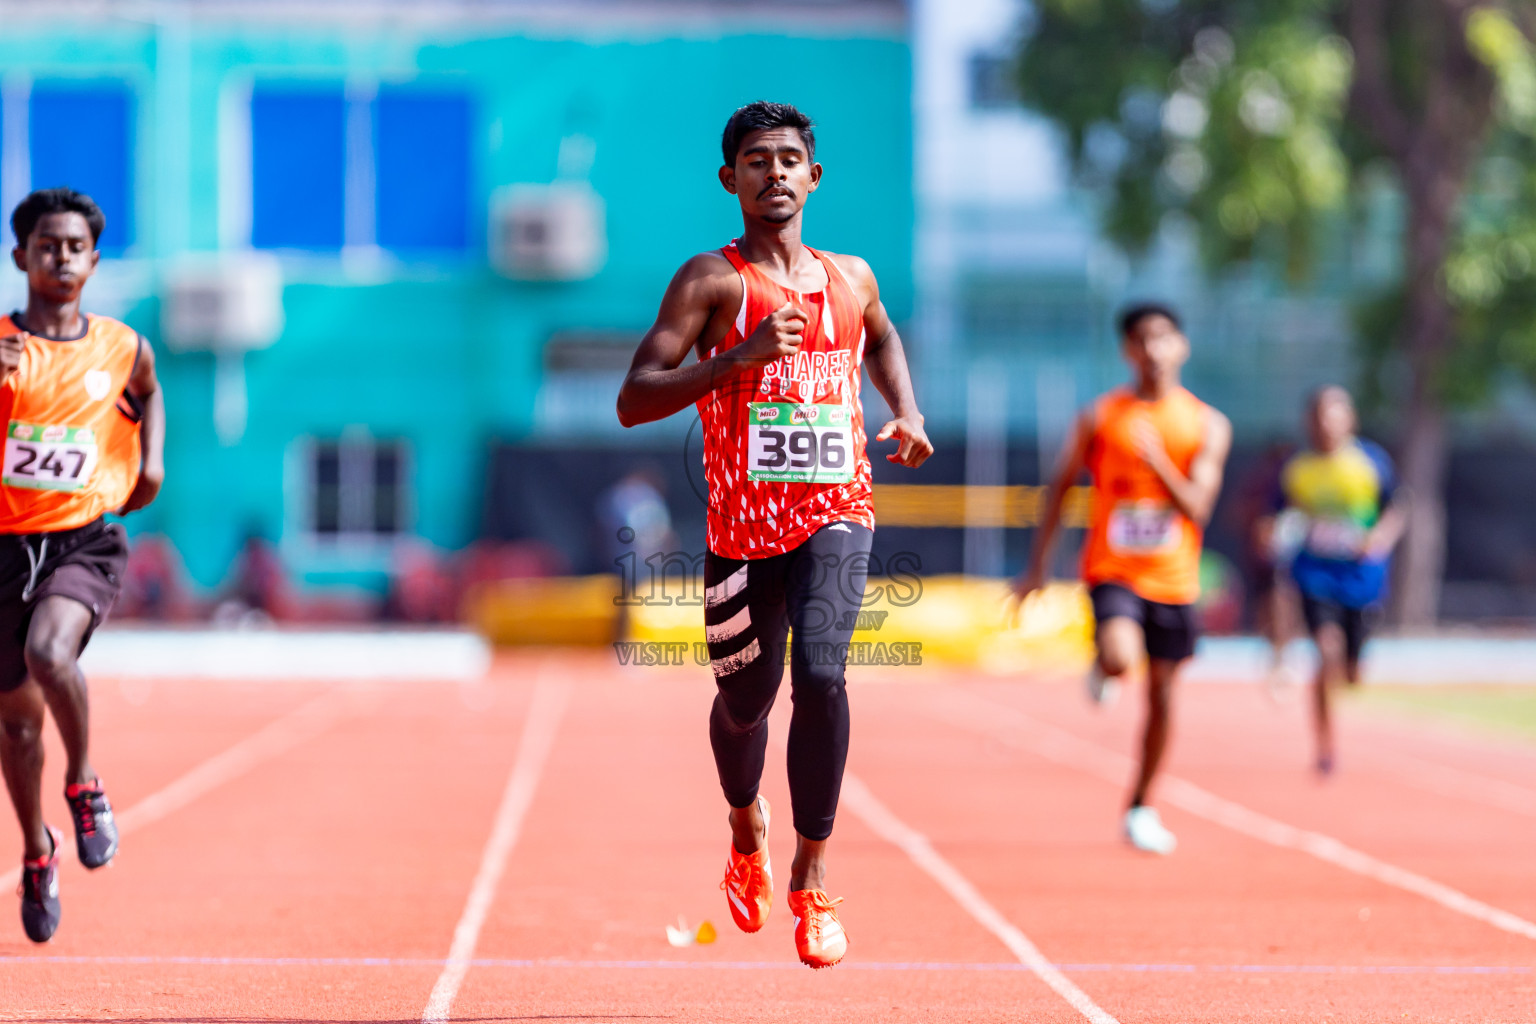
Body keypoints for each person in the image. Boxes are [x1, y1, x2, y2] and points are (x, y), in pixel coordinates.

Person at [616, 101, 932, 968]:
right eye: (756, 161)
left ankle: (814, 877)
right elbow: (634, 395)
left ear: (814, 176)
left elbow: (884, 334)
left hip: (837, 510)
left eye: (790, 159)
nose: (776, 174)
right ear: (731, 180)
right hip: (744, 530)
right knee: (745, 704)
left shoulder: (851, 277)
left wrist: (903, 409)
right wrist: (734, 361)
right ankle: (744, 823)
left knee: (824, 676)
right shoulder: (709, 283)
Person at [0, 188, 165, 942]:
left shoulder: (124, 346)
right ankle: (37, 850)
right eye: (46, 245)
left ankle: (87, 782)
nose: (60, 257)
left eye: (74, 247)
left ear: (93, 262)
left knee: (50, 650)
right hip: (5, 550)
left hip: (80, 539)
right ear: (20, 257)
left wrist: (152, 464)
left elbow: (149, 394)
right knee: (17, 730)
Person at [1011, 303, 1230, 856]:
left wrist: (1161, 467)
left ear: (1181, 345)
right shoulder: (1101, 417)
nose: (1153, 349)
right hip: (1114, 571)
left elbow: (1199, 506)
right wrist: (1037, 566)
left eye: (1164, 337)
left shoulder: (1206, 423)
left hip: (1175, 581)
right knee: (1118, 657)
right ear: (1127, 351)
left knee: (1162, 697)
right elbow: (1059, 487)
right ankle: (1102, 660)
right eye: (1141, 340)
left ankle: (1140, 805)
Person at [1263, 386, 1404, 775]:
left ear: (1349, 419)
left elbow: (1395, 510)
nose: (1327, 423)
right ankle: (1325, 746)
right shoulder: (1297, 468)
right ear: (1310, 422)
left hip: (1361, 578)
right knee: (1326, 651)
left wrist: (1378, 539)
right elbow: (1274, 515)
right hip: (1314, 573)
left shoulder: (1371, 463)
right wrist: (1274, 532)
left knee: (1351, 674)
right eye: (1320, 416)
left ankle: (1349, 668)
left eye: (1335, 414)